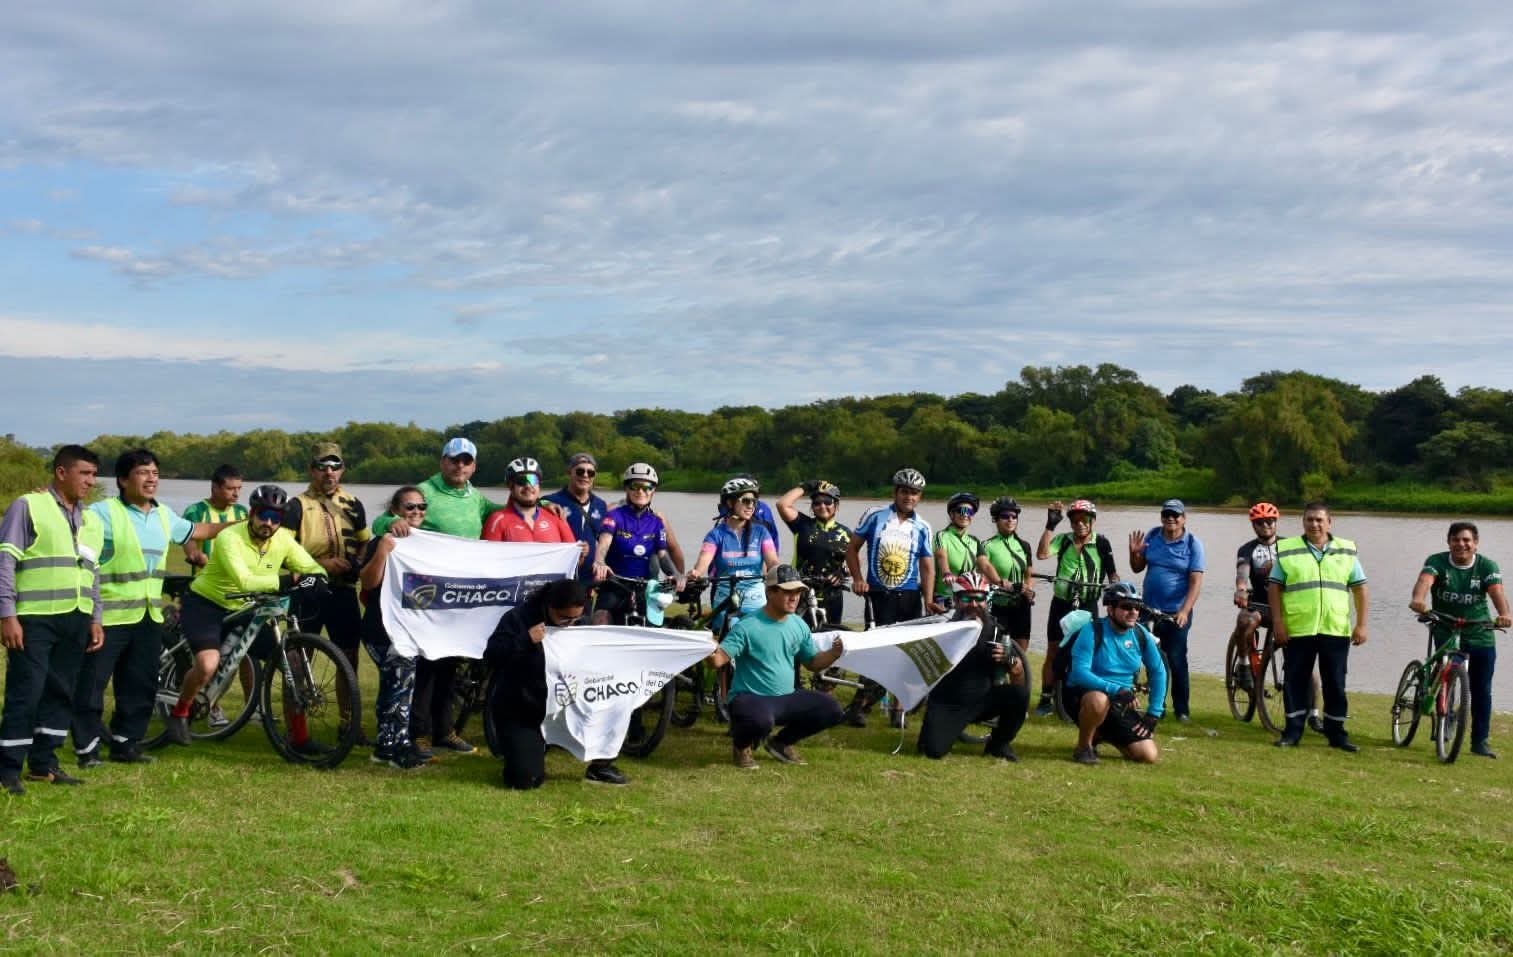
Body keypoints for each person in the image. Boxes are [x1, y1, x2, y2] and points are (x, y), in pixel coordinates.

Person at [71, 449, 235, 767]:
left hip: (148, 616)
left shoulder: (162, 514)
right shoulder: (103, 512)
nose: (151, 479)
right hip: (109, 617)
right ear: (122, 480)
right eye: (143, 473)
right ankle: (87, 748)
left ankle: (125, 744)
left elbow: (198, 531)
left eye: (155, 473)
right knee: (92, 685)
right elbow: (71, 523)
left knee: (141, 684)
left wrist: (244, 523)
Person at [164, 485, 327, 750]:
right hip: (207, 603)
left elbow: (312, 567)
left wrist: (318, 580)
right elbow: (244, 581)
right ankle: (180, 712)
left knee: (293, 662)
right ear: (251, 513)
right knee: (207, 664)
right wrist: (289, 580)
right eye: (264, 515)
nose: (269, 523)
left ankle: (299, 738)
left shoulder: (283, 539)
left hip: (245, 608)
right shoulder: (230, 537)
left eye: (276, 517)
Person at [372, 437, 506, 758]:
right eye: (453, 459)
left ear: (473, 466)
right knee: (427, 664)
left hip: (459, 595)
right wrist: (392, 522)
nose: (460, 466)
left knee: (451, 663)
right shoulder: (425, 491)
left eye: (466, 461)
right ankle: (419, 732)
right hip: (426, 592)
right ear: (442, 461)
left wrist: (543, 504)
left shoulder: (474, 496)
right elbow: (379, 522)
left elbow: (505, 511)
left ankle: (445, 731)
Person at [0, 445, 105, 794]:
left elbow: (92, 573)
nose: (90, 481)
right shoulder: (28, 506)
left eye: (94, 475)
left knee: (60, 693)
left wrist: (95, 618)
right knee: (27, 692)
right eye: (84, 473)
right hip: (33, 618)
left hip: (75, 618)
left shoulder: (91, 521)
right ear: (61, 472)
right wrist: (7, 614)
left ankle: (44, 765)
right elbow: (5, 562)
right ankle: (8, 769)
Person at [485, 579, 627, 788]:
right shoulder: (519, 617)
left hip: (569, 701)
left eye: (576, 619)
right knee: (525, 780)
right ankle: (529, 746)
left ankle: (601, 765)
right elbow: (491, 657)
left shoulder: (582, 621)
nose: (570, 624)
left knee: (616, 699)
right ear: (549, 606)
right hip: (525, 709)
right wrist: (526, 639)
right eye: (564, 618)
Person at [708, 565, 845, 768]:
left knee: (832, 709)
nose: (795, 597)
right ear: (770, 592)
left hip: (785, 698)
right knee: (761, 721)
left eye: (798, 591)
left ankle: (781, 743)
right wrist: (709, 651)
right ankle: (741, 746)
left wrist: (834, 653)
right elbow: (718, 659)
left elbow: (813, 663)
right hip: (749, 697)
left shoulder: (798, 624)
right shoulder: (747, 625)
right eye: (788, 592)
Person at [282, 442, 371, 745]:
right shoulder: (296, 505)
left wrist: (357, 563)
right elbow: (282, 551)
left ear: (342, 469)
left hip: (342, 589)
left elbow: (364, 541)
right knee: (298, 657)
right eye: (322, 466)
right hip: (307, 588)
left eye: (335, 466)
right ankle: (296, 732)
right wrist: (321, 564)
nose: (329, 472)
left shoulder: (353, 503)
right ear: (312, 470)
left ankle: (349, 726)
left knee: (348, 658)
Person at [1267, 502, 1368, 751]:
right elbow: (1274, 587)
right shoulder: (1288, 550)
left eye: (1319, 520)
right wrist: (1278, 622)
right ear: (1303, 522)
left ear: (1329, 522)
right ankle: (1292, 732)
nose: (1314, 524)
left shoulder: (1346, 550)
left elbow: (1360, 589)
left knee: (1335, 683)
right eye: (1309, 519)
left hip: (1335, 628)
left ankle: (1337, 734)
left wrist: (1361, 624)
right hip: (1299, 628)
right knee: (1295, 682)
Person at [1409, 522, 1511, 759]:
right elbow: (1425, 582)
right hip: (1446, 628)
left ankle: (1480, 741)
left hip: (1479, 631)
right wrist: (1418, 599)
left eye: (1467, 540)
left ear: (1476, 544)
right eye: (1456, 539)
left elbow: (1496, 592)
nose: (1461, 544)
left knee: (1482, 689)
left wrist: (1504, 614)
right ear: (1449, 542)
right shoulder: (1437, 561)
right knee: (1448, 677)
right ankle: (1445, 722)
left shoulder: (1487, 566)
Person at [844, 467, 935, 726]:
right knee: (875, 651)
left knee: (906, 653)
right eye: (905, 491)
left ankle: (899, 710)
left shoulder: (923, 526)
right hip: (879, 595)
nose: (909, 497)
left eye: (914, 493)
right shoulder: (875, 515)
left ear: (920, 497)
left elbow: (927, 567)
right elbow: (852, 549)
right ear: (895, 492)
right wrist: (858, 579)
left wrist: (929, 600)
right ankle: (859, 706)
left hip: (909, 596)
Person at [916, 572, 1029, 762]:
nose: (974, 604)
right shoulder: (942, 628)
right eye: (967, 599)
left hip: (982, 700)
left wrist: (1010, 660)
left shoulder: (996, 631)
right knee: (933, 751)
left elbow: (1018, 676)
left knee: (1019, 694)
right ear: (956, 600)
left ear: (986, 601)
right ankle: (932, 732)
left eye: (979, 599)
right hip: (947, 703)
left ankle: (998, 745)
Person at [356, 487, 430, 769]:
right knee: (399, 682)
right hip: (380, 629)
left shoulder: (426, 542)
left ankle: (387, 746)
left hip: (409, 629)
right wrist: (383, 552)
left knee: (397, 686)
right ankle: (397, 747)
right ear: (395, 510)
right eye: (410, 507)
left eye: (421, 507)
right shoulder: (381, 541)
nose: (416, 512)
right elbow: (368, 582)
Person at [1033, 499, 1118, 717]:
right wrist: (1050, 525)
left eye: (1084, 520)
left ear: (1092, 521)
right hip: (1062, 602)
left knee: (1089, 651)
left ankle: (1085, 696)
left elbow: (1112, 574)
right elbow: (1042, 554)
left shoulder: (1102, 543)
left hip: (1088, 603)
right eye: (1075, 520)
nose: (1080, 524)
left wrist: (1115, 590)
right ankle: (1046, 698)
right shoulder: (1063, 540)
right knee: (1053, 650)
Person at [1064, 582, 1166, 765]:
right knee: (1098, 700)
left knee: (1147, 755)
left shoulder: (1140, 634)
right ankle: (1084, 747)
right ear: (1110, 609)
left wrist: (1153, 713)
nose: (1133, 612)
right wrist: (1116, 689)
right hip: (1085, 695)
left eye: (1137, 607)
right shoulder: (1092, 630)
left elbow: (1158, 672)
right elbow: (1079, 673)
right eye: (1126, 606)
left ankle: (1102, 733)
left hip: (1120, 703)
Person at [1128, 498, 1205, 723]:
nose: (1170, 519)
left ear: (1183, 518)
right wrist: (1134, 554)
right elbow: (1137, 568)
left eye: (1175, 515)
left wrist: (1184, 611)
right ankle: (1157, 707)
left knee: (1176, 659)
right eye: (1166, 515)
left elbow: (1196, 582)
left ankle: (1182, 710)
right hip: (1148, 609)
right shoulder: (1152, 536)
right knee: (1151, 658)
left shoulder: (1193, 544)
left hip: (1176, 612)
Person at [591, 463, 683, 625]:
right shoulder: (614, 516)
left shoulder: (656, 522)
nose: (641, 491)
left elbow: (662, 555)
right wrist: (599, 562)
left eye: (647, 487)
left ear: (653, 490)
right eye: (635, 486)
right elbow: (604, 544)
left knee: (653, 631)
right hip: (615, 585)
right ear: (626, 488)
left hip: (645, 588)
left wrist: (676, 574)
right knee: (600, 620)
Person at [688, 476, 780, 632]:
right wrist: (695, 573)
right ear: (730, 503)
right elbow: (702, 564)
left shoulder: (761, 532)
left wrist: (783, 572)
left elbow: (772, 562)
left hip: (756, 598)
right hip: (725, 598)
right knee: (731, 634)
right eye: (746, 501)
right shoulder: (715, 535)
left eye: (754, 502)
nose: (751, 506)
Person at [774, 480, 851, 626]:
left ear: (836, 505)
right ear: (812, 507)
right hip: (801, 594)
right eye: (817, 502)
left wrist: (844, 572)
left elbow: (855, 561)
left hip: (832, 594)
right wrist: (806, 486)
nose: (822, 506)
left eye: (827, 501)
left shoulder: (846, 533)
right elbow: (782, 504)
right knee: (799, 635)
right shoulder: (802, 525)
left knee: (832, 635)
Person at [1227, 502, 1281, 690]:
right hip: (1260, 606)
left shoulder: (1290, 546)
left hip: (1286, 607)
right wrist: (1241, 589)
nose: (1265, 525)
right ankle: (1243, 665)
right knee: (1245, 621)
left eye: (1269, 521)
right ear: (1253, 525)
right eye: (1260, 522)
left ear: (1276, 522)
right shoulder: (1247, 549)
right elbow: (1242, 573)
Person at [976, 496, 1035, 654]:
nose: (1010, 520)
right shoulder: (987, 545)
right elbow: (983, 573)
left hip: (1021, 604)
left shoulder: (1024, 545)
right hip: (998, 605)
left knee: (1020, 654)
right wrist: (1000, 582)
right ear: (996, 519)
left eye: (1014, 516)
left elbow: (1029, 574)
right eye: (1005, 516)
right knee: (996, 653)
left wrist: (1029, 588)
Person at [482, 456, 580, 549]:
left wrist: (582, 552)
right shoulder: (497, 520)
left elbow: (573, 555)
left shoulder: (556, 516)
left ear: (539, 485)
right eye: (521, 481)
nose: (528, 486)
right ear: (511, 486)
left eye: (533, 480)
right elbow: (488, 558)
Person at [543, 453, 609, 584]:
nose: (585, 475)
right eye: (580, 471)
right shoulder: (551, 501)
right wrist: (543, 503)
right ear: (569, 472)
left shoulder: (600, 505)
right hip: (561, 577)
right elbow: (531, 506)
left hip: (589, 579)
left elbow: (603, 539)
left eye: (590, 473)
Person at [181, 464, 247, 574]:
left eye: (239, 488)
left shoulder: (242, 512)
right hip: (203, 580)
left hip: (234, 581)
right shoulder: (195, 511)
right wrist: (196, 556)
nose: (236, 494)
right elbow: (190, 547)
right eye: (230, 489)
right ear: (215, 487)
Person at [933, 492, 983, 613]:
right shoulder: (941, 536)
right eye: (961, 510)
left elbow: (985, 565)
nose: (965, 514)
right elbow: (941, 556)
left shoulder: (974, 541)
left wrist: (998, 582)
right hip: (945, 599)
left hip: (969, 598)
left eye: (969, 512)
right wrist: (947, 573)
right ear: (952, 514)